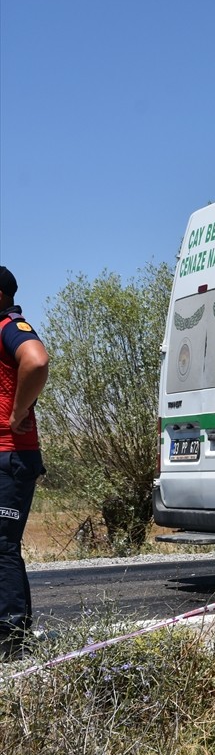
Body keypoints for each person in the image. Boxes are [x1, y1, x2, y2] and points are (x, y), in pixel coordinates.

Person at [0, 265, 49, 660]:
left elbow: (36, 360)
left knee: (1, 545)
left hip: (11, 456)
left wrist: (19, 413)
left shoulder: (10, 327)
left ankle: (12, 641)